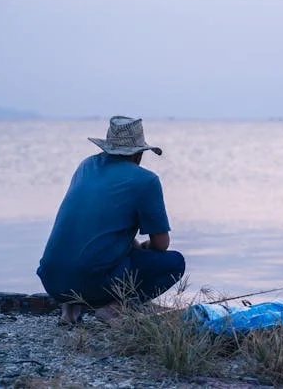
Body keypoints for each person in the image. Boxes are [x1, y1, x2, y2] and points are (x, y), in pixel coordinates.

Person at [37, 116, 185, 324]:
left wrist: (131, 247)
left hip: (52, 280)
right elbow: (161, 244)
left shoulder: (86, 166)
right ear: (138, 153)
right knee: (173, 262)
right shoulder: (146, 180)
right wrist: (144, 247)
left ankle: (70, 308)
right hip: (92, 281)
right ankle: (114, 308)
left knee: (87, 254)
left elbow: (97, 227)